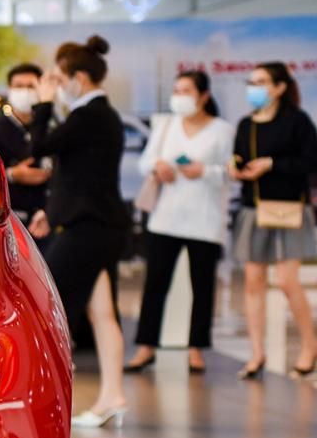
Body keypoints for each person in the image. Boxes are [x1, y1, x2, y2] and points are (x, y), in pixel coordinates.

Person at [27, 35, 130, 427]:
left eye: (59, 78)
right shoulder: (97, 116)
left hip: (90, 229)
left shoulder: (90, 116)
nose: (55, 85)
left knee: (45, 307)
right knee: (102, 313)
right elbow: (77, 176)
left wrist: (42, 103)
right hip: (97, 224)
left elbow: (40, 146)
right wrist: (51, 213)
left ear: (79, 78)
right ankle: (112, 397)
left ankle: (44, 398)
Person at [124, 71, 234, 375]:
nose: (179, 97)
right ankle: (146, 346)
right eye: (176, 90)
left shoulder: (222, 130)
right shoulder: (167, 126)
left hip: (205, 219)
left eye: (186, 90)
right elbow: (146, 161)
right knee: (156, 284)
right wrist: (158, 167)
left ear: (203, 96)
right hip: (166, 217)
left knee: (202, 286)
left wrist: (205, 171)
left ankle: (196, 348)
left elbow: (231, 171)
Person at [230, 62, 317, 379]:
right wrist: (236, 167)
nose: (254, 88)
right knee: (253, 280)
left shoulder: (297, 121)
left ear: (279, 87)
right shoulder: (246, 124)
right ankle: (257, 353)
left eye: (261, 82)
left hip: (288, 208)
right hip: (253, 208)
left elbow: (310, 161)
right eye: (251, 82)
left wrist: (272, 164)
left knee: (286, 280)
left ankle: (309, 346)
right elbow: (239, 156)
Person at [0, 63, 52, 231]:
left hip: (47, 219)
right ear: (9, 89)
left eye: (30, 86)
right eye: (19, 86)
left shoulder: (50, 130)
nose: (25, 92)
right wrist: (11, 175)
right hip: (9, 221)